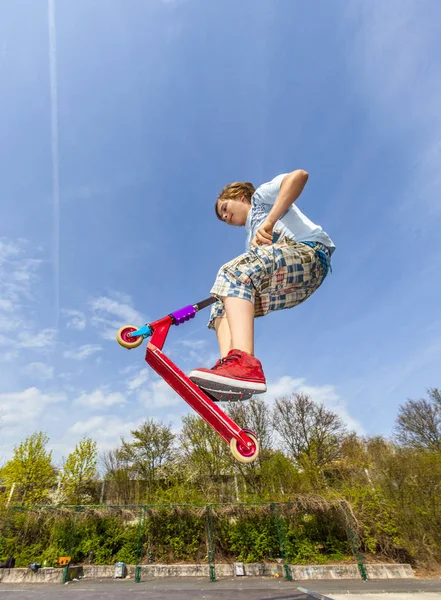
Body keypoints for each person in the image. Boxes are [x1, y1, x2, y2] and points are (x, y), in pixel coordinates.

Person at [189, 170, 335, 400]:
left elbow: (299, 176)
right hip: (294, 284)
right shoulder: (250, 239)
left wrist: (269, 221)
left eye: (225, 209)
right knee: (221, 302)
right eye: (222, 217)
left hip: (310, 254)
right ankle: (230, 370)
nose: (225, 218)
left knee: (232, 273)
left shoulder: (259, 200)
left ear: (240, 196)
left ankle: (245, 363)